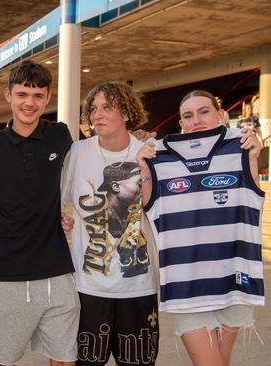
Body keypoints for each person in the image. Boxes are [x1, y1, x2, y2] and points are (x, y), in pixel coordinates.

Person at [137, 90, 264, 366]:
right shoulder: (159, 159)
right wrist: (144, 165)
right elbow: (148, 206)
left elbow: (253, 195)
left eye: (204, 111)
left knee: (221, 360)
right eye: (188, 115)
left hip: (233, 282)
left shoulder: (241, 150)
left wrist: (253, 155)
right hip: (186, 287)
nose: (196, 120)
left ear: (220, 115)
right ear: (181, 123)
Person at [0, 60, 79, 366]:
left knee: (64, 358)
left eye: (37, 96)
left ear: (48, 97)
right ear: (9, 95)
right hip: (7, 268)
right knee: (3, 359)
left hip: (57, 267)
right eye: (22, 94)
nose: (29, 103)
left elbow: (84, 172)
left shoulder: (60, 135)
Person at [61, 82, 158, 365]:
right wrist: (60, 220)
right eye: (93, 108)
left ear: (127, 113)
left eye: (107, 107)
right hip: (89, 286)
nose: (97, 114)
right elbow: (52, 198)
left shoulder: (149, 152)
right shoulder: (77, 152)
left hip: (139, 286)